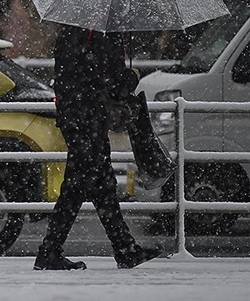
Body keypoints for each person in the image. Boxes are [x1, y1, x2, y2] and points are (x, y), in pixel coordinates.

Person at [34, 24, 162, 270]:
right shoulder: (99, 35)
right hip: (89, 119)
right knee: (77, 187)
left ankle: (125, 248)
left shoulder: (72, 31)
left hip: (76, 117)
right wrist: (132, 76)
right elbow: (114, 83)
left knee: (102, 186)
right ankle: (49, 251)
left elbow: (77, 76)